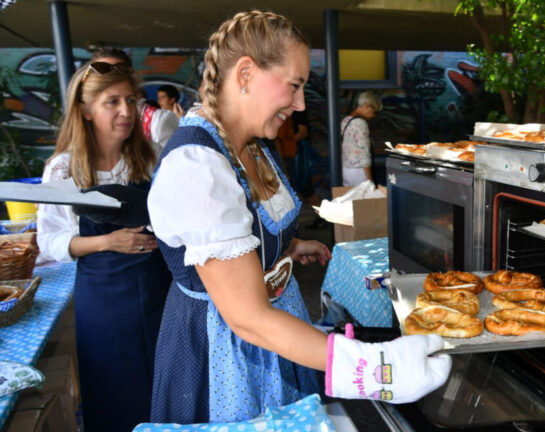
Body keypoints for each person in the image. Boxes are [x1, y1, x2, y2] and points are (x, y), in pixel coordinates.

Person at [146, 10, 450, 424]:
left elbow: (243, 235)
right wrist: (373, 368)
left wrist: (287, 248)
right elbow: (248, 318)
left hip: (278, 329)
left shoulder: (253, 144)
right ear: (246, 74)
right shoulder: (197, 167)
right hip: (226, 351)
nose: (301, 103)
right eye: (294, 85)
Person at [36, 60, 172, 431]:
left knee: (165, 386)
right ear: (85, 110)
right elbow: (49, 241)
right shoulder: (65, 169)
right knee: (116, 391)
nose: (126, 111)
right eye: (112, 101)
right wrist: (108, 241)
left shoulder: (150, 158)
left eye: (131, 100)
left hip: (159, 292)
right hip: (105, 301)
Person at [90, 48, 179, 153]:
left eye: (118, 73)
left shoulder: (157, 121)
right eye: (102, 72)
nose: (110, 80)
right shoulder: (85, 121)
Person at [341, 90, 381, 186]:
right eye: (373, 111)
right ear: (367, 106)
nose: (373, 115)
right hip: (359, 171)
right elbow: (364, 154)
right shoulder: (361, 123)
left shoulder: (345, 120)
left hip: (345, 169)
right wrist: (369, 179)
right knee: (364, 199)